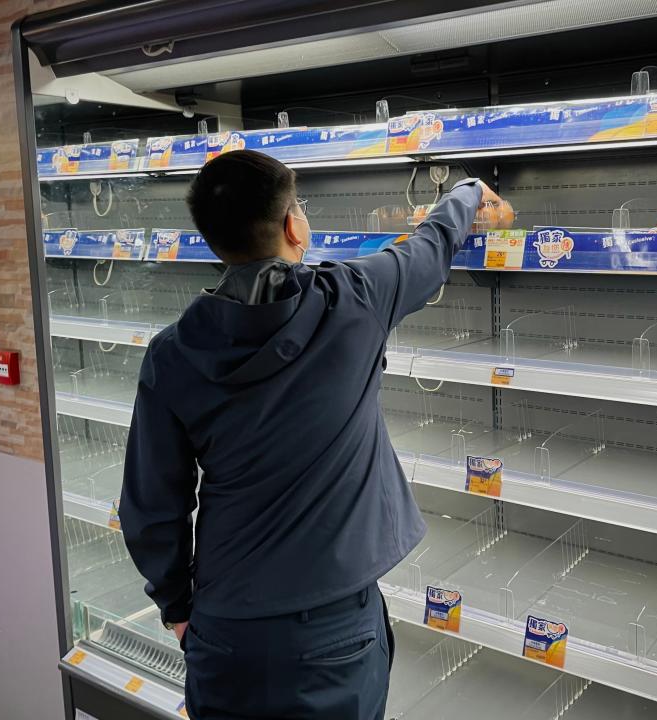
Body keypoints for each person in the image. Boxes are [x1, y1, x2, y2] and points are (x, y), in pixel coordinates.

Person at [119, 149, 500, 719]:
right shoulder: (355, 300)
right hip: (333, 628)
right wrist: (468, 190)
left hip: (225, 626)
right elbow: (430, 246)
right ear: (293, 225)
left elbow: (150, 505)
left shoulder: (172, 355)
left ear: (212, 240)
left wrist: (177, 605)